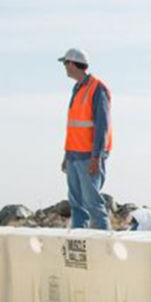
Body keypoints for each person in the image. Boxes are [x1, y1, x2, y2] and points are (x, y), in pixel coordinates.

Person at [58, 48, 112, 230]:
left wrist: (96, 157)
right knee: (77, 205)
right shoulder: (78, 88)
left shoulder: (97, 88)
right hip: (74, 155)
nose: (64, 67)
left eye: (65, 63)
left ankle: (105, 245)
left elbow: (102, 126)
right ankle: (80, 242)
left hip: (89, 156)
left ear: (72, 64)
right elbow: (74, 126)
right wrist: (67, 155)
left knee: (93, 204)